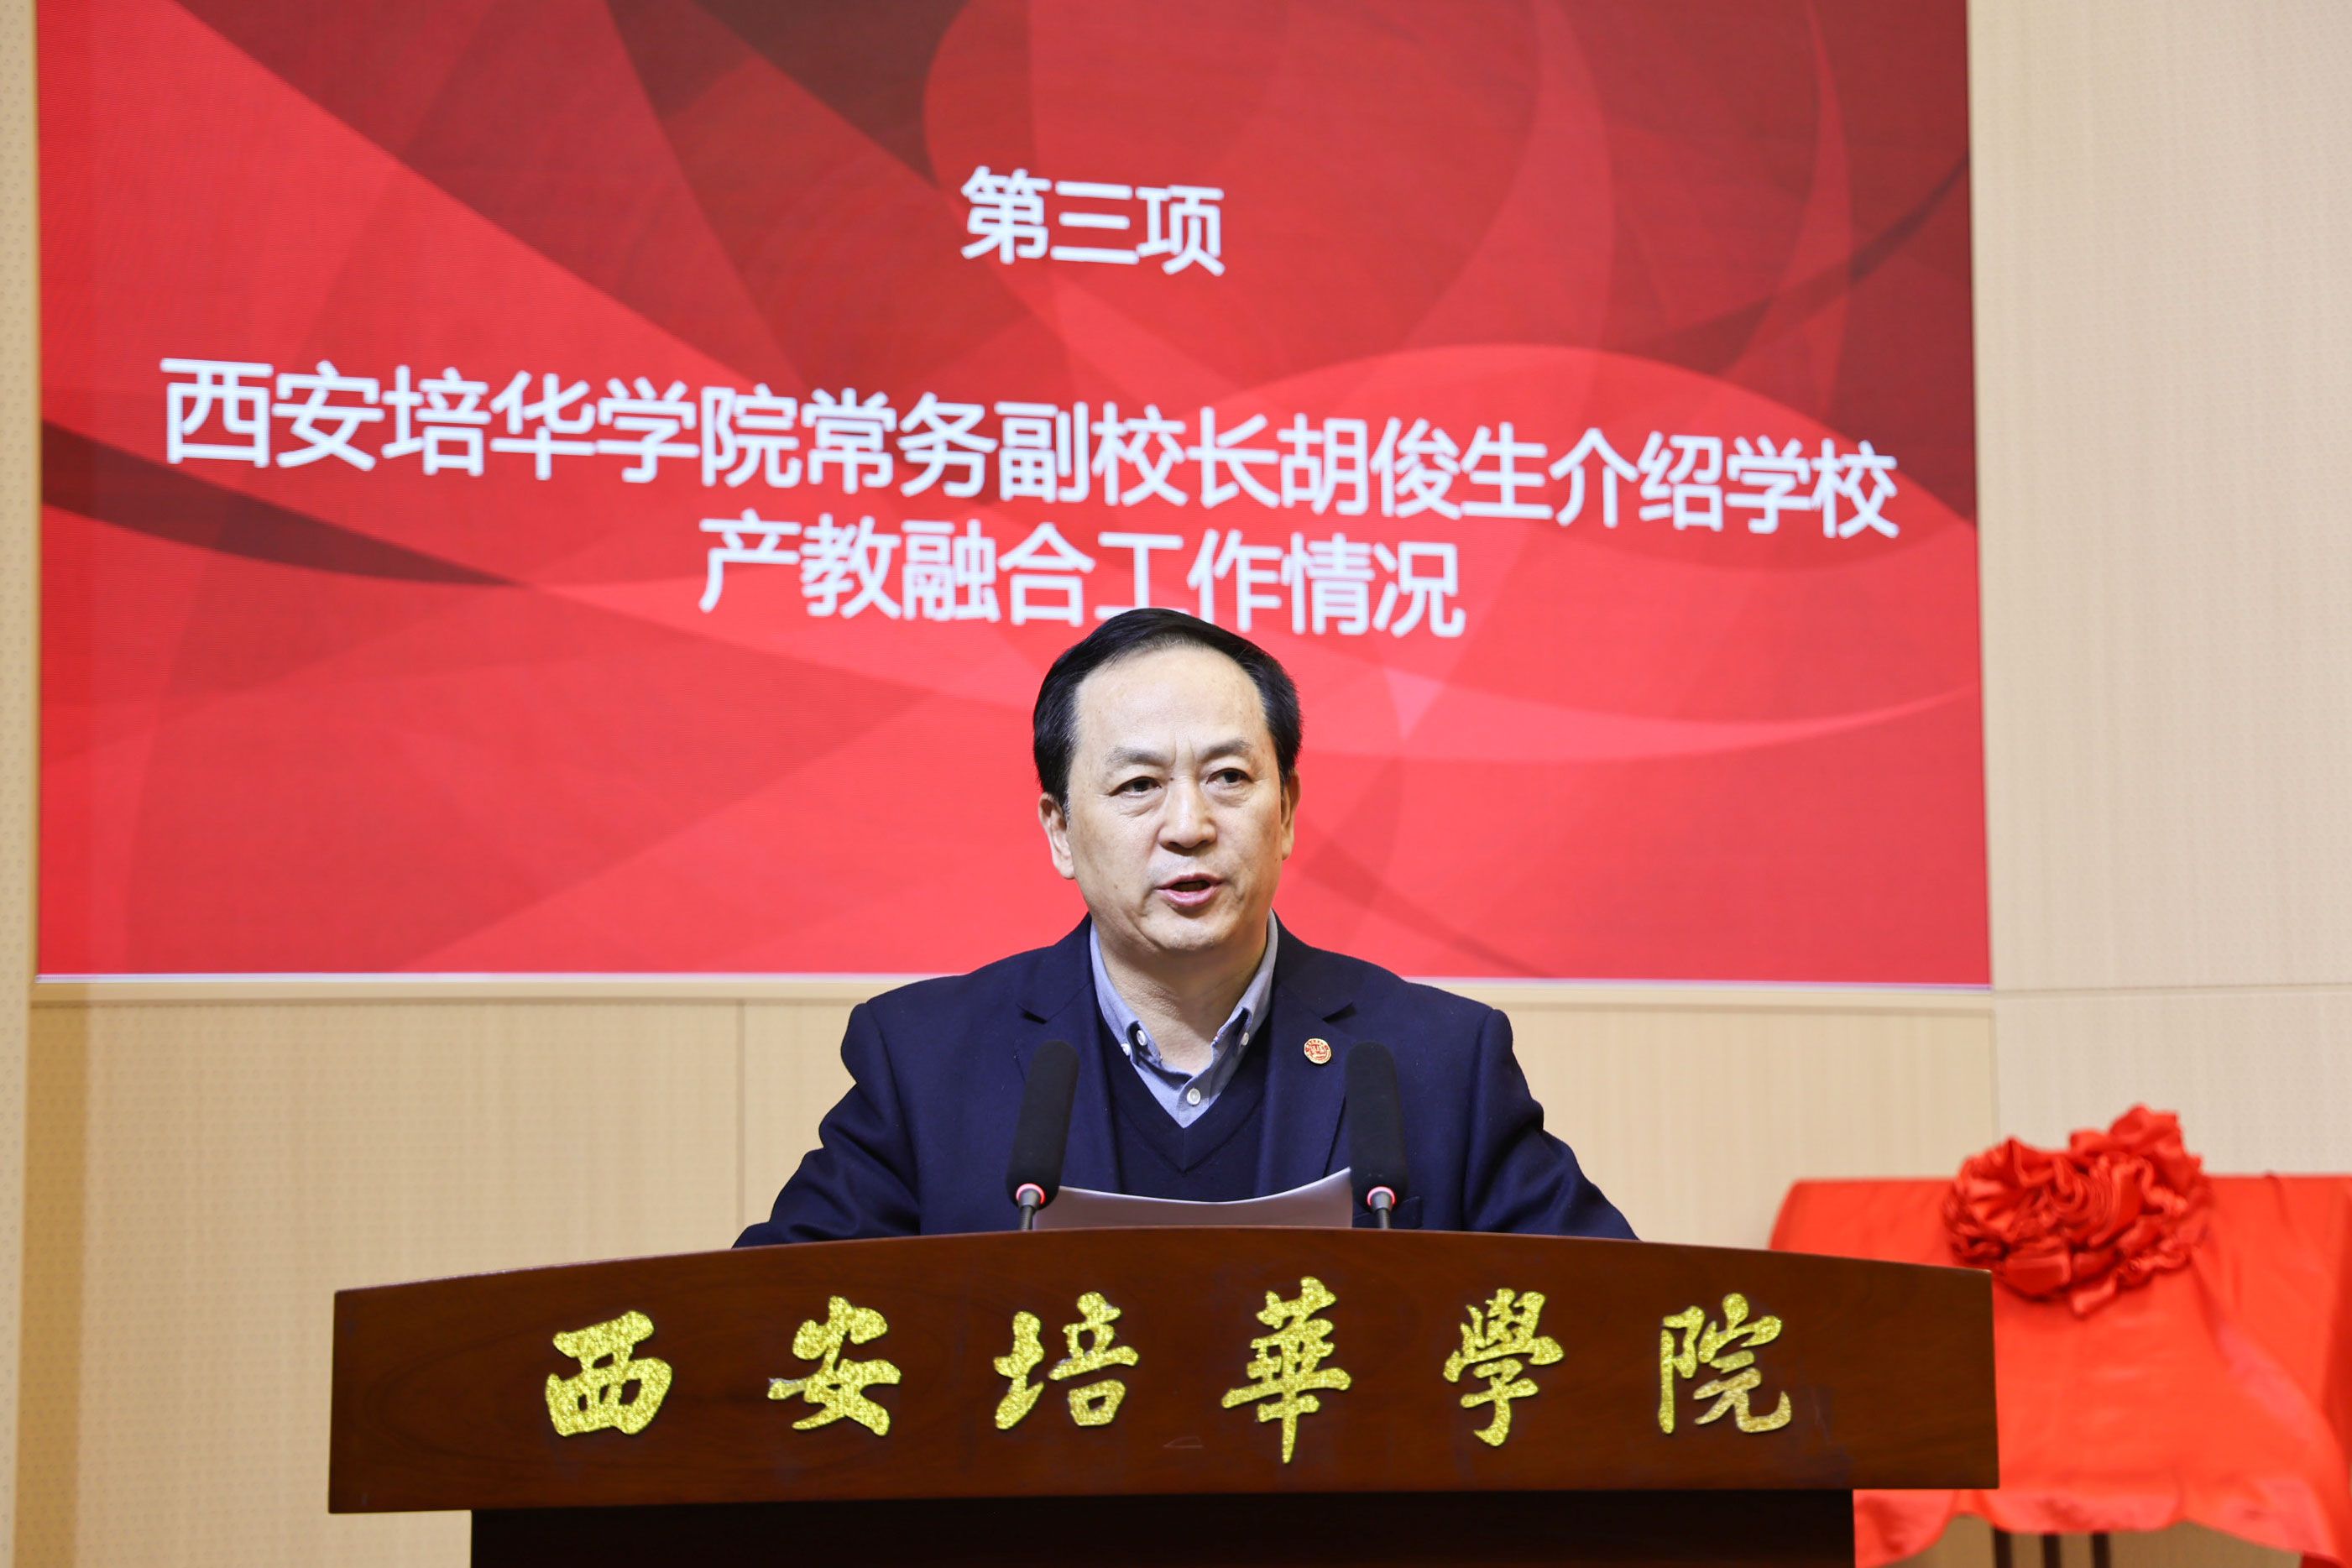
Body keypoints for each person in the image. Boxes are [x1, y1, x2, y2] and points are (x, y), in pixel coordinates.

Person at [737, 609, 1632, 1242]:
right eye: (1139, 785)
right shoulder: (927, 1062)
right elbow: (771, 1326)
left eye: (1229, 778)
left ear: (1287, 810)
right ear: (1059, 830)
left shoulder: (1438, 1059)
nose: (1190, 825)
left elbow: (1610, 1319)